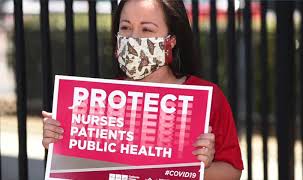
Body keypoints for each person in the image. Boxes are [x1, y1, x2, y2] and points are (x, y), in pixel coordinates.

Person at [42, 0, 243, 179]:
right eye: (126, 27)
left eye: (147, 30)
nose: (133, 38)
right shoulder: (98, 101)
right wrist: (59, 144)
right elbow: (82, 170)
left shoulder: (206, 97)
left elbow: (232, 171)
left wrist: (199, 170)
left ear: (171, 40)